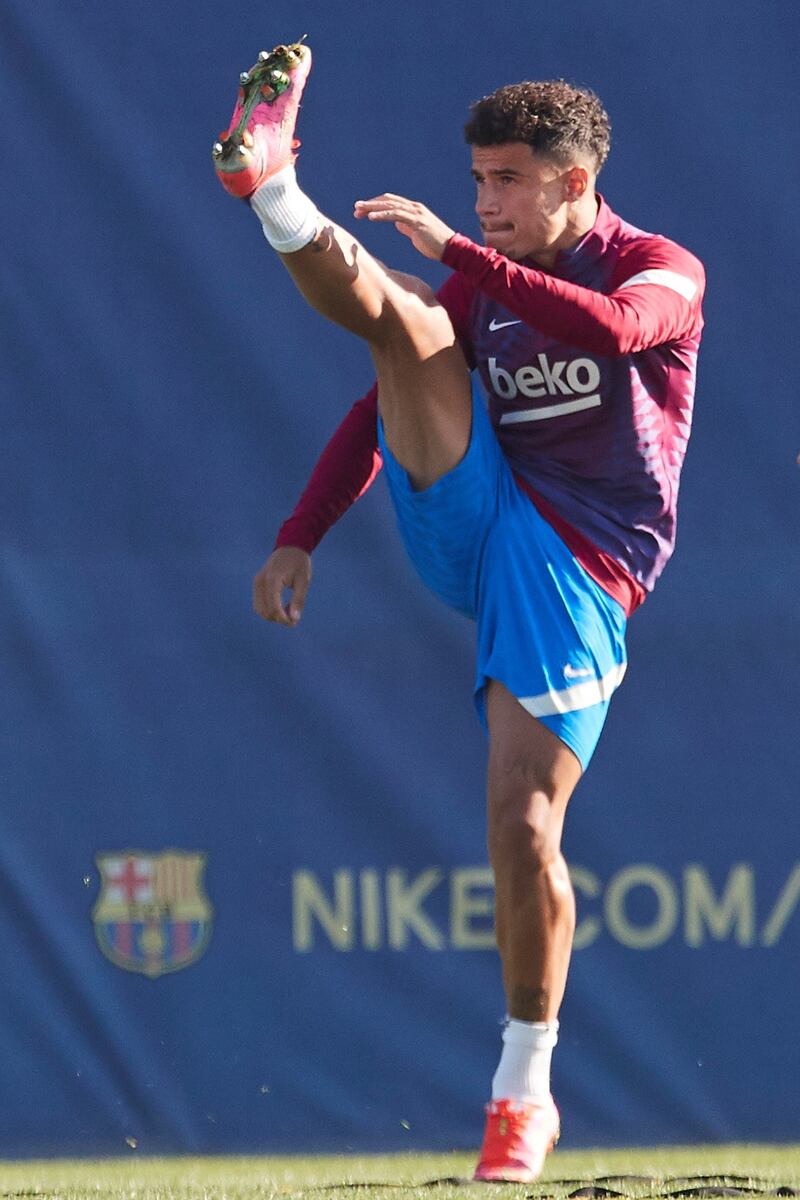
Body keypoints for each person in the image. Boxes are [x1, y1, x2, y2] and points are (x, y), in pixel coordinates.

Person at [213, 39, 705, 1181]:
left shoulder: (659, 268)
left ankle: (520, 1091)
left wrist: (454, 257)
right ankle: (270, 185)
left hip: (579, 566)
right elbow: (382, 391)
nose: (484, 204)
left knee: (523, 827)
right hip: (477, 523)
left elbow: (613, 333)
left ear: (574, 182)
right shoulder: (480, 280)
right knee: (409, 327)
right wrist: (299, 532)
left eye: (507, 182)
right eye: (476, 181)